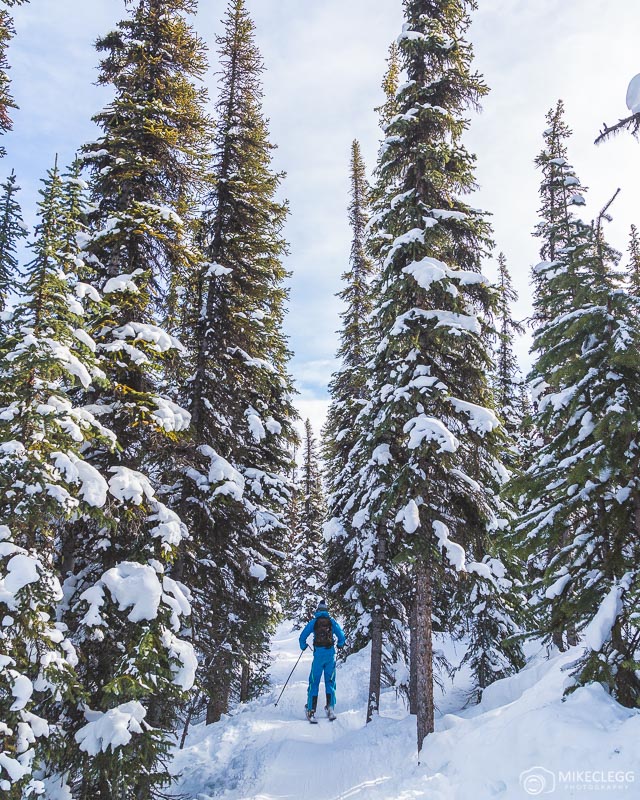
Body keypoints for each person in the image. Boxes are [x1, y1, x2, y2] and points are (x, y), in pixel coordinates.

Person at [299, 599, 346, 721]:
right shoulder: (331, 622)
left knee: (314, 682)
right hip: (330, 656)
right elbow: (341, 636)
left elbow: (302, 636)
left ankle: (311, 710)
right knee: (330, 682)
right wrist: (340, 644)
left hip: (318, 657)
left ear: (318, 610)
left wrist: (303, 646)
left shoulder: (314, 622)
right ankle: (330, 708)